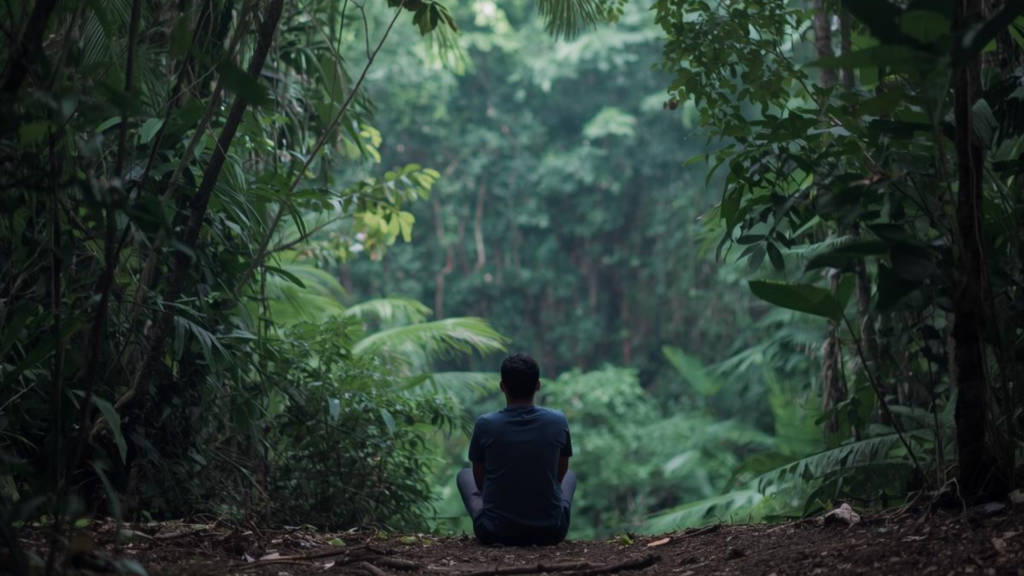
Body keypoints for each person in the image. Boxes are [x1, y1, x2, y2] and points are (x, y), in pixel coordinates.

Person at [456, 354, 577, 546]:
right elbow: (559, 475)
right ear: (538, 385)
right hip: (551, 532)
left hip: (494, 532)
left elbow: (480, 485)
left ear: (502, 386)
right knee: (570, 476)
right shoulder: (558, 420)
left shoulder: (485, 424)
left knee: (464, 475)